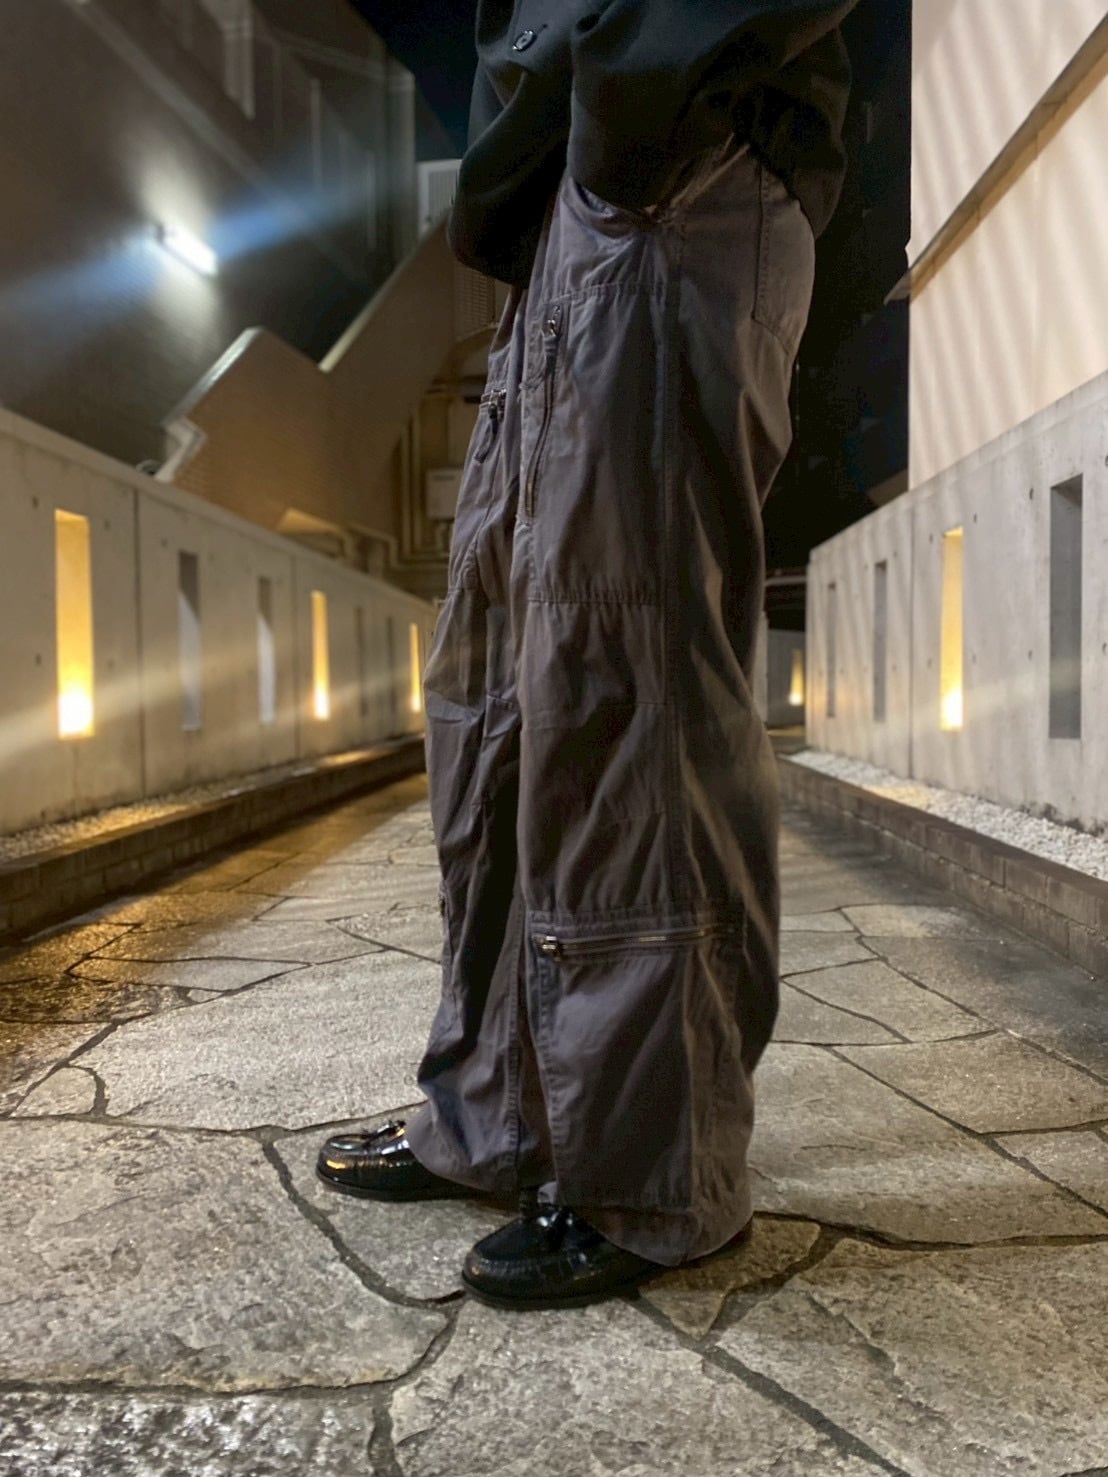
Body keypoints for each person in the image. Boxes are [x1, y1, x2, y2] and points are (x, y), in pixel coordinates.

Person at [318, 0, 859, 1310]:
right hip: (576, 190)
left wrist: (635, 106)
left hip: (677, 155)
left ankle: (650, 1168)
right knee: (497, 690)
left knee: (631, 665)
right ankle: (498, 1115)